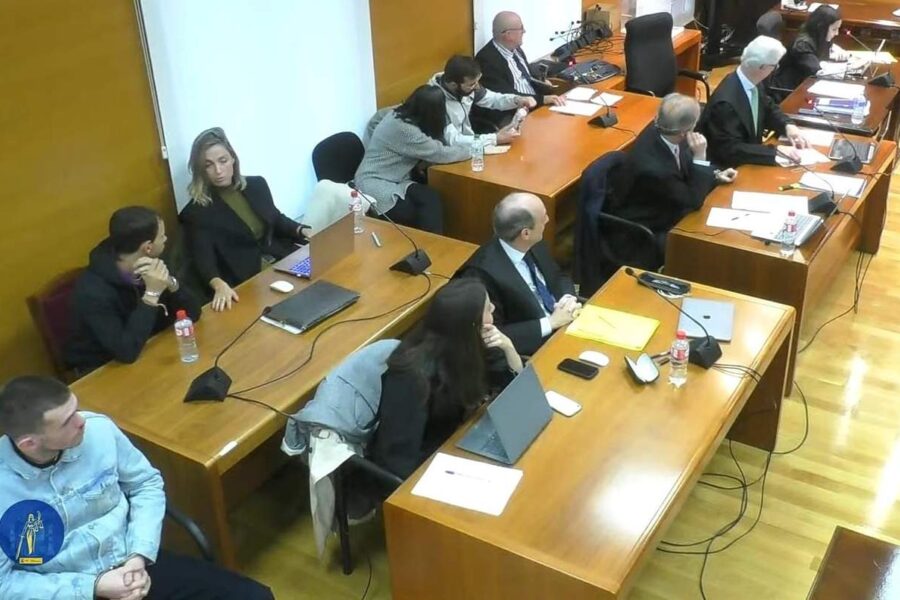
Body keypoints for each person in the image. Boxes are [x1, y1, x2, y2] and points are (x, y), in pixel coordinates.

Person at [0, 375, 274, 599]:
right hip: (65, 587)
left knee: (255, 597)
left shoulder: (98, 430)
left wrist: (138, 556)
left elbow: (145, 484)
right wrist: (93, 587)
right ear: (29, 444)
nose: (81, 421)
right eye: (67, 421)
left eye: (76, 409)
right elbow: (4, 584)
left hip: (130, 560)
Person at [370, 278, 523, 479]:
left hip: (462, 437)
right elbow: (398, 457)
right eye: (488, 307)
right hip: (430, 462)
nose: (494, 308)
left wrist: (508, 347)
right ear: (472, 322)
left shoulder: (471, 342)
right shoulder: (412, 376)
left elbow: (514, 390)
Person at [180, 127, 309, 311]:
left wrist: (302, 230)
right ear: (200, 170)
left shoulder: (256, 184)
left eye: (223, 161)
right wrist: (218, 284)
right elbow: (204, 259)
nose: (218, 170)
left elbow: (275, 218)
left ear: (233, 158)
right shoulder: (196, 212)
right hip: (249, 276)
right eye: (209, 165)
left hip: (282, 257)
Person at [65, 207, 201, 375]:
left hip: (151, 350)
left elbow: (193, 314)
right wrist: (151, 295)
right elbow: (126, 352)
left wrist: (171, 283)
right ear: (148, 247)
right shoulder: (91, 292)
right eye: (162, 236)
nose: (165, 239)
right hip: (105, 370)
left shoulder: (151, 262)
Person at [612, 94, 738, 258]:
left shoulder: (664, 130)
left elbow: (685, 169)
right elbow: (693, 200)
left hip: (668, 203)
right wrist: (700, 157)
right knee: (710, 247)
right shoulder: (656, 170)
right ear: (686, 132)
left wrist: (716, 175)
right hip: (647, 229)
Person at [457, 192, 580, 356]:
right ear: (525, 233)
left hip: (568, 323)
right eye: (543, 217)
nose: (547, 220)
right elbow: (491, 335)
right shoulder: (480, 274)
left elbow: (558, 276)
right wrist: (550, 323)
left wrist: (568, 299)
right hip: (537, 349)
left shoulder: (535, 243)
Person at [354, 85, 472, 233]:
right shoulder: (405, 130)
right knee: (415, 212)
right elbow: (440, 153)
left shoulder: (398, 113)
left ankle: (432, 242)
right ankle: (430, 243)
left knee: (431, 197)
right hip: (375, 184)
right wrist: (473, 150)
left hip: (396, 179)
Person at [701, 36, 809, 167]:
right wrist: (775, 152)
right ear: (762, 67)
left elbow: (768, 107)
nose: (774, 70)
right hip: (729, 169)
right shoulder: (725, 104)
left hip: (750, 160)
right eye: (775, 66)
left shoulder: (751, 80)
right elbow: (730, 149)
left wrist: (788, 126)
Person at [473, 11, 564, 129]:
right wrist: (542, 99)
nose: (524, 31)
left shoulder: (516, 49)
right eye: (521, 28)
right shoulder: (487, 60)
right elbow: (505, 96)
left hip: (535, 104)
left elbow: (526, 79)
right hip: (514, 113)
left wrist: (543, 85)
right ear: (508, 35)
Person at [428, 55, 535, 149]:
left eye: (477, 82)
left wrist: (517, 100)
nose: (476, 87)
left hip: (472, 145)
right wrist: (495, 138)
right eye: (472, 84)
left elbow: (492, 99)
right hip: (450, 152)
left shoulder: (466, 86)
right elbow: (453, 141)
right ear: (453, 85)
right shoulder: (434, 101)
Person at [771, 6, 848, 99]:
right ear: (821, 27)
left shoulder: (818, 35)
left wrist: (837, 49)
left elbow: (829, 46)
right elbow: (816, 70)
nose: (837, 33)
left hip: (806, 84)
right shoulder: (802, 45)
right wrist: (845, 69)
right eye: (834, 29)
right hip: (790, 91)